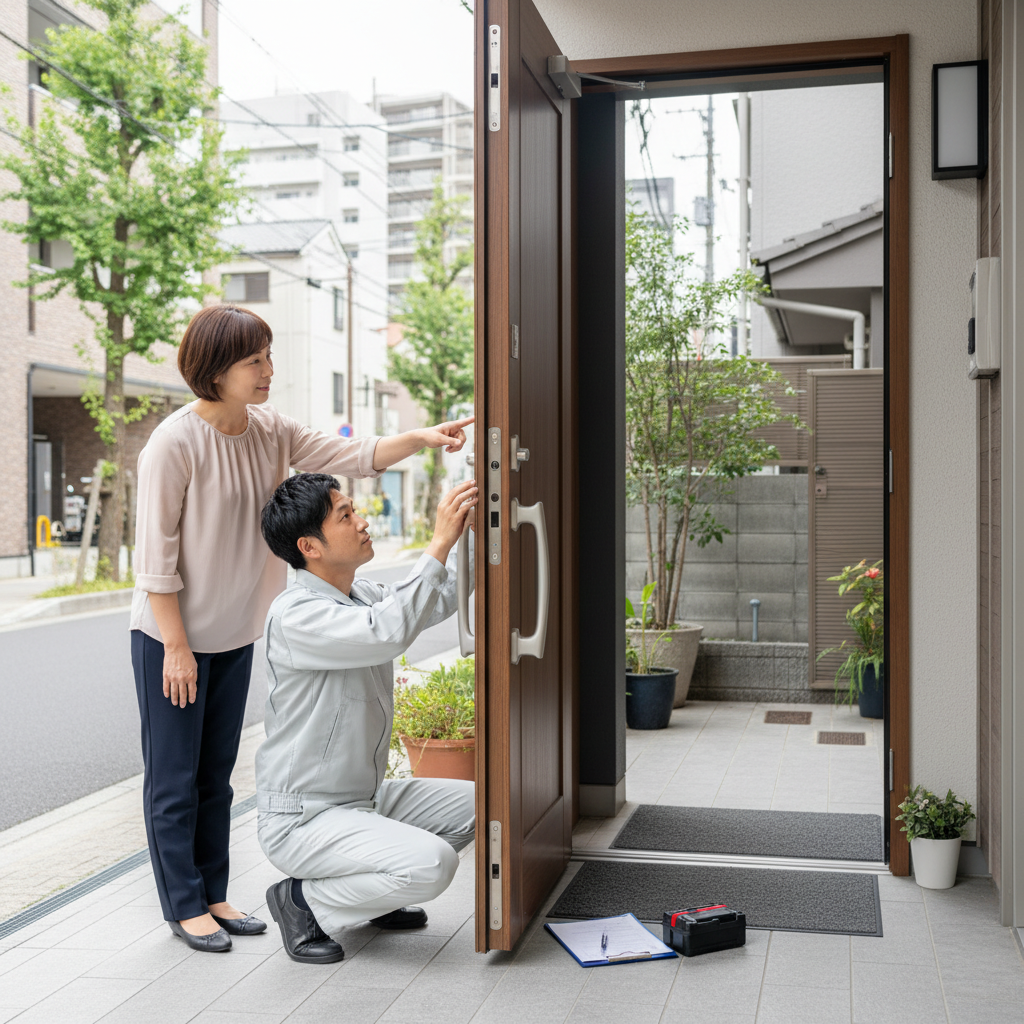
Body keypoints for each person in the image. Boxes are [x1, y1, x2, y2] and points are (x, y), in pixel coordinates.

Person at [131, 304, 471, 953]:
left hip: (235, 632)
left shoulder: (269, 430)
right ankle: (184, 905)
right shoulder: (173, 443)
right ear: (215, 368)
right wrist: (174, 644)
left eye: (266, 356)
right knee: (174, 775)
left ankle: (218, 894)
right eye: (253, 360)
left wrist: (425, 437)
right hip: (169, 635)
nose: (267, 370)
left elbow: (356, 453)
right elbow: (155, 559)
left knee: (216, 775)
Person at [255, 473, 477, 964]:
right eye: (346, 516)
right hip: (305, 818)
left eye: (354, 510)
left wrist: (473, 522)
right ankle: (304, 902)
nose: (362, 522)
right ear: (309, 546)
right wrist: (437, 541)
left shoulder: (361, 595)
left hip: (365, 800)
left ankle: (376, 895)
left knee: (491, 803)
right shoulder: (295, 615)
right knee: (434, 864)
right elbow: (387, 632)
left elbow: (438, 595)